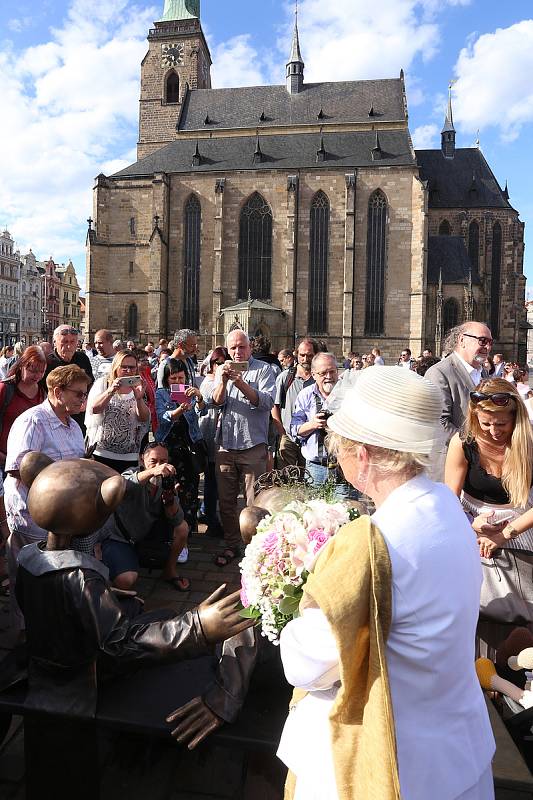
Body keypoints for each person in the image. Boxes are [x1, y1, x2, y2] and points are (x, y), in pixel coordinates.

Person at [277, 366, 495, 799]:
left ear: (362, 455)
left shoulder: (372, 543)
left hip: (386, 764)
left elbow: (305, 666)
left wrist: (296, 600)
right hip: (456, 755)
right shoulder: (448, 509)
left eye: (339, 445)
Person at [445, 378, 533, 647]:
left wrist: (505, 534)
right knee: (475, 606)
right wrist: (471, 524)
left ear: (515, 419)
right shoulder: (463, 443)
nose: (493, 431)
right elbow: (448, 501)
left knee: (524, 609)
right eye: (485, 424)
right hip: (474, 527)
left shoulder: (529, 444)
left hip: (523, 528)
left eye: (501, 424)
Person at [4, 365, 89, 621]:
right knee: (28, 575)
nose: (83, 399)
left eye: (85, 394)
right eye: (78, 394)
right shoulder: (34, 421)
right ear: (57, 391)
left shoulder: (72, 425)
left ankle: (48, 629)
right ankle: (23, 631)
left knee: (52, 574)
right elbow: (19, 469)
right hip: (33, 513)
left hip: (62, 515)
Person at [204, 329, 276, 566]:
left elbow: (265, 402)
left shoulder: (264, 370)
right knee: (226, 503)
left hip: (253, 445)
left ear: (250, 347)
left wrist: (241, 383)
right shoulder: (222, 368)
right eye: (233, 348)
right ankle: (232, 544)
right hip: (226, 446)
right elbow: (215, 402)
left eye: (241, 347)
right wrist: (223, 381)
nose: (237, 352)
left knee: (254, 502)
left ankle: (255, 549)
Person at [98, 442, 191, 592]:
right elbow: (122, 485)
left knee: (182, 528)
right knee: (126, 581)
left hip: (146, 535)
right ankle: (105, 563)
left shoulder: (166, 481)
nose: (159, 466)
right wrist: (152, 472)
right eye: (153, 461)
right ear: (142, 460)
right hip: (120, 538)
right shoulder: (132, 473)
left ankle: (169, 571)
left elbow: (176, 519)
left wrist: (170, 501)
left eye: (164, 461)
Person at [425, 321, 493, 467]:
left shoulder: (484, 373)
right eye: (482, 341)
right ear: (462, 340)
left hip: (478, 464)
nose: (487, 347)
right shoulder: (439, 373)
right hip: (450, 463)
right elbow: (440, 424)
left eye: (490, 342)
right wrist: (475, 444)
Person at [155, 357, 206, 539]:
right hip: (169, 447)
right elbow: (163, 417)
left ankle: (188, 531)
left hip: (188, 446)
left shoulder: (190, 391)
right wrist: (179, 410)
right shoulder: (161, 393)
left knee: (190, 490)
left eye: (181, 378)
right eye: (173, 379)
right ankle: (170, 532)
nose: (177, 382)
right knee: (168, 489)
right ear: (166, 379)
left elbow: (203, 411)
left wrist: (199, 398)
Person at [290, 352, 352, 498]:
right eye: (323, 373)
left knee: (346, 514)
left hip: (344, 466)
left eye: (332, 371)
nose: (329, 376)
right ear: (314, 374)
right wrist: (313, 424)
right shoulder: (305, 395)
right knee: (315, 514)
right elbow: (294, 429)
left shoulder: (349, 394)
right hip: (315, 468)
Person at [85, 349, 150, 473]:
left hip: (129, 455)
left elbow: (143, 419)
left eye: (132, 367)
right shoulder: (103, 383)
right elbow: (94, 409)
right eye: (124, 367)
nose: (128, 371)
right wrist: (110, 391)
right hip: (102, 452)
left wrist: (139, 398)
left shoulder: (138, 385)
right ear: (115, 367)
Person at [272, 338, 318, 471]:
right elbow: (274, 405)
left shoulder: (318, 380)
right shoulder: (285, 377)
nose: (305, 359)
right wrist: (281, 432)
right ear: (296, 355)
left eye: (310, 355)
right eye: (302, 355)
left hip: (311, 437)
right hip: (288, 437)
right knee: (287, 479)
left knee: (308, 478)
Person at [198, 347, 229, 536]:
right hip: (209, 433)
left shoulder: (224, 380)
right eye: (218, 362)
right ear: (211, 364)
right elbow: (211, 402)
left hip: (220, 434)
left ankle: (205, 511)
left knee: (214, 478)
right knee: (211, 479)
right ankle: (210, 517)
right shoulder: (208, 382)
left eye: (225, 362)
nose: (221, 366)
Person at [0, 346, 47, 470]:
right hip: (3, 460)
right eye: (33, 370)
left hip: (30, 465)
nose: (37, 375)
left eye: (41, 371)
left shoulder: (43, 394)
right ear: (22, 365)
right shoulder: (5, 389)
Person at [45, 324, 93, 431]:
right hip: (55, 418)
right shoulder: (48, 362)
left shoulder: (82, 358)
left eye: (72, 342)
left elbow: (90, 383)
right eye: (64, 342)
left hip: (79, 415)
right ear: (55, 343)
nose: (68, 346)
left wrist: (86, 400)